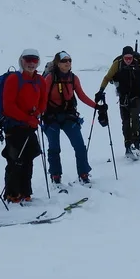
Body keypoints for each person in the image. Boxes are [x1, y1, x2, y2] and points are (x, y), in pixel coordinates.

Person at [39, 51, 99, 186]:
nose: (68, 63)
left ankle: (83, 173)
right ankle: (56, 176)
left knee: (79, 146)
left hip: (68, 116)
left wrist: (97, 107)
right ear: (57, 63)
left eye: (69, 60)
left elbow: (81, 96)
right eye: (64, 61)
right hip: (51, 117)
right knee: (54, 147)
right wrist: (38, 114)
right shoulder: (49, 78)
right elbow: (42, 98)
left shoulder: (73, 78)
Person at [0, 48, 45, 203]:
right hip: (13, 126)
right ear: (21, 61)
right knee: (14, 159)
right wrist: (28, 118)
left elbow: (43, 102)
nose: (31, 63)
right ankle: (12, 193)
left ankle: (25, 192)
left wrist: (37, 113)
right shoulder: (14, 79)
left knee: (29, 157)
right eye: (28, 60)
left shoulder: (40, 81)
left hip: (28, 125)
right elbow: (8, 106)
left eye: (34, 60)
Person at [95, 45, 140, 159]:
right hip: (123, 96)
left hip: (137, 94)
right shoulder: (117, 64)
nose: (128, 60)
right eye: (126, 58)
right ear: (122, 57)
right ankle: (127, 145)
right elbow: (107, 77)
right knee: (125, 120)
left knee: (134, 116)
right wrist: (101, 90)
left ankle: (136, 144)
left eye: (130, 58)